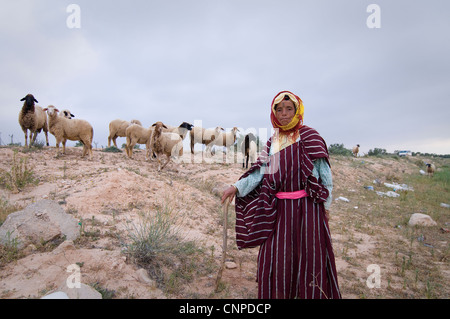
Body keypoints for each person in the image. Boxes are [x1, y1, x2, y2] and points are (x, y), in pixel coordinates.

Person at [221, 91, 341, 299]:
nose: (284, 114)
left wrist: (326, 207)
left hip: (309, 209)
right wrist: (237, 187)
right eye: (279, 109)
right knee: (276, 256)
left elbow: (325, 177)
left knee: (310, 256)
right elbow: (259, 173)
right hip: (280, 211)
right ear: (273, 113)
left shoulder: (311, 137)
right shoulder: (273, 142)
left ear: (297, 111)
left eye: (289, 109)